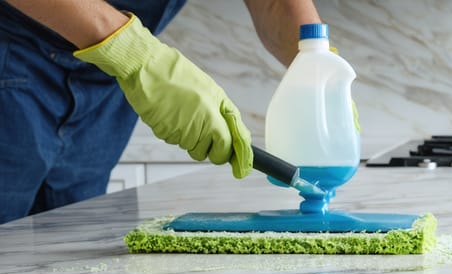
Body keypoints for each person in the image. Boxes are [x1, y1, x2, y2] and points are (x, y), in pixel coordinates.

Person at [0, 0, 322, 224]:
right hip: (13, 55)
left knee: (69, 256)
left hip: (107, 80)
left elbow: (277, 4)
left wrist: (316, 65)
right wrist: (135, 54)